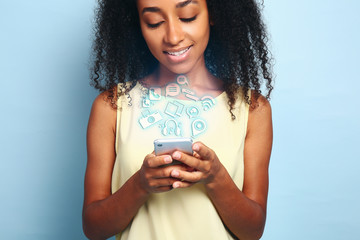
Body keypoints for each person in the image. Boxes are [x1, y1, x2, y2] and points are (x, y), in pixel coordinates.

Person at [82, 0, 273, 239]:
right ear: (137, 25)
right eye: (154, 22)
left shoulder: (252, 108)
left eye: (188, 17)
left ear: (212, 13)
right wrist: (140, 185)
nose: (173, 36)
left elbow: (253, 231)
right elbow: (93, 228)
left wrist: (216, 178)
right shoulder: (111, 106)